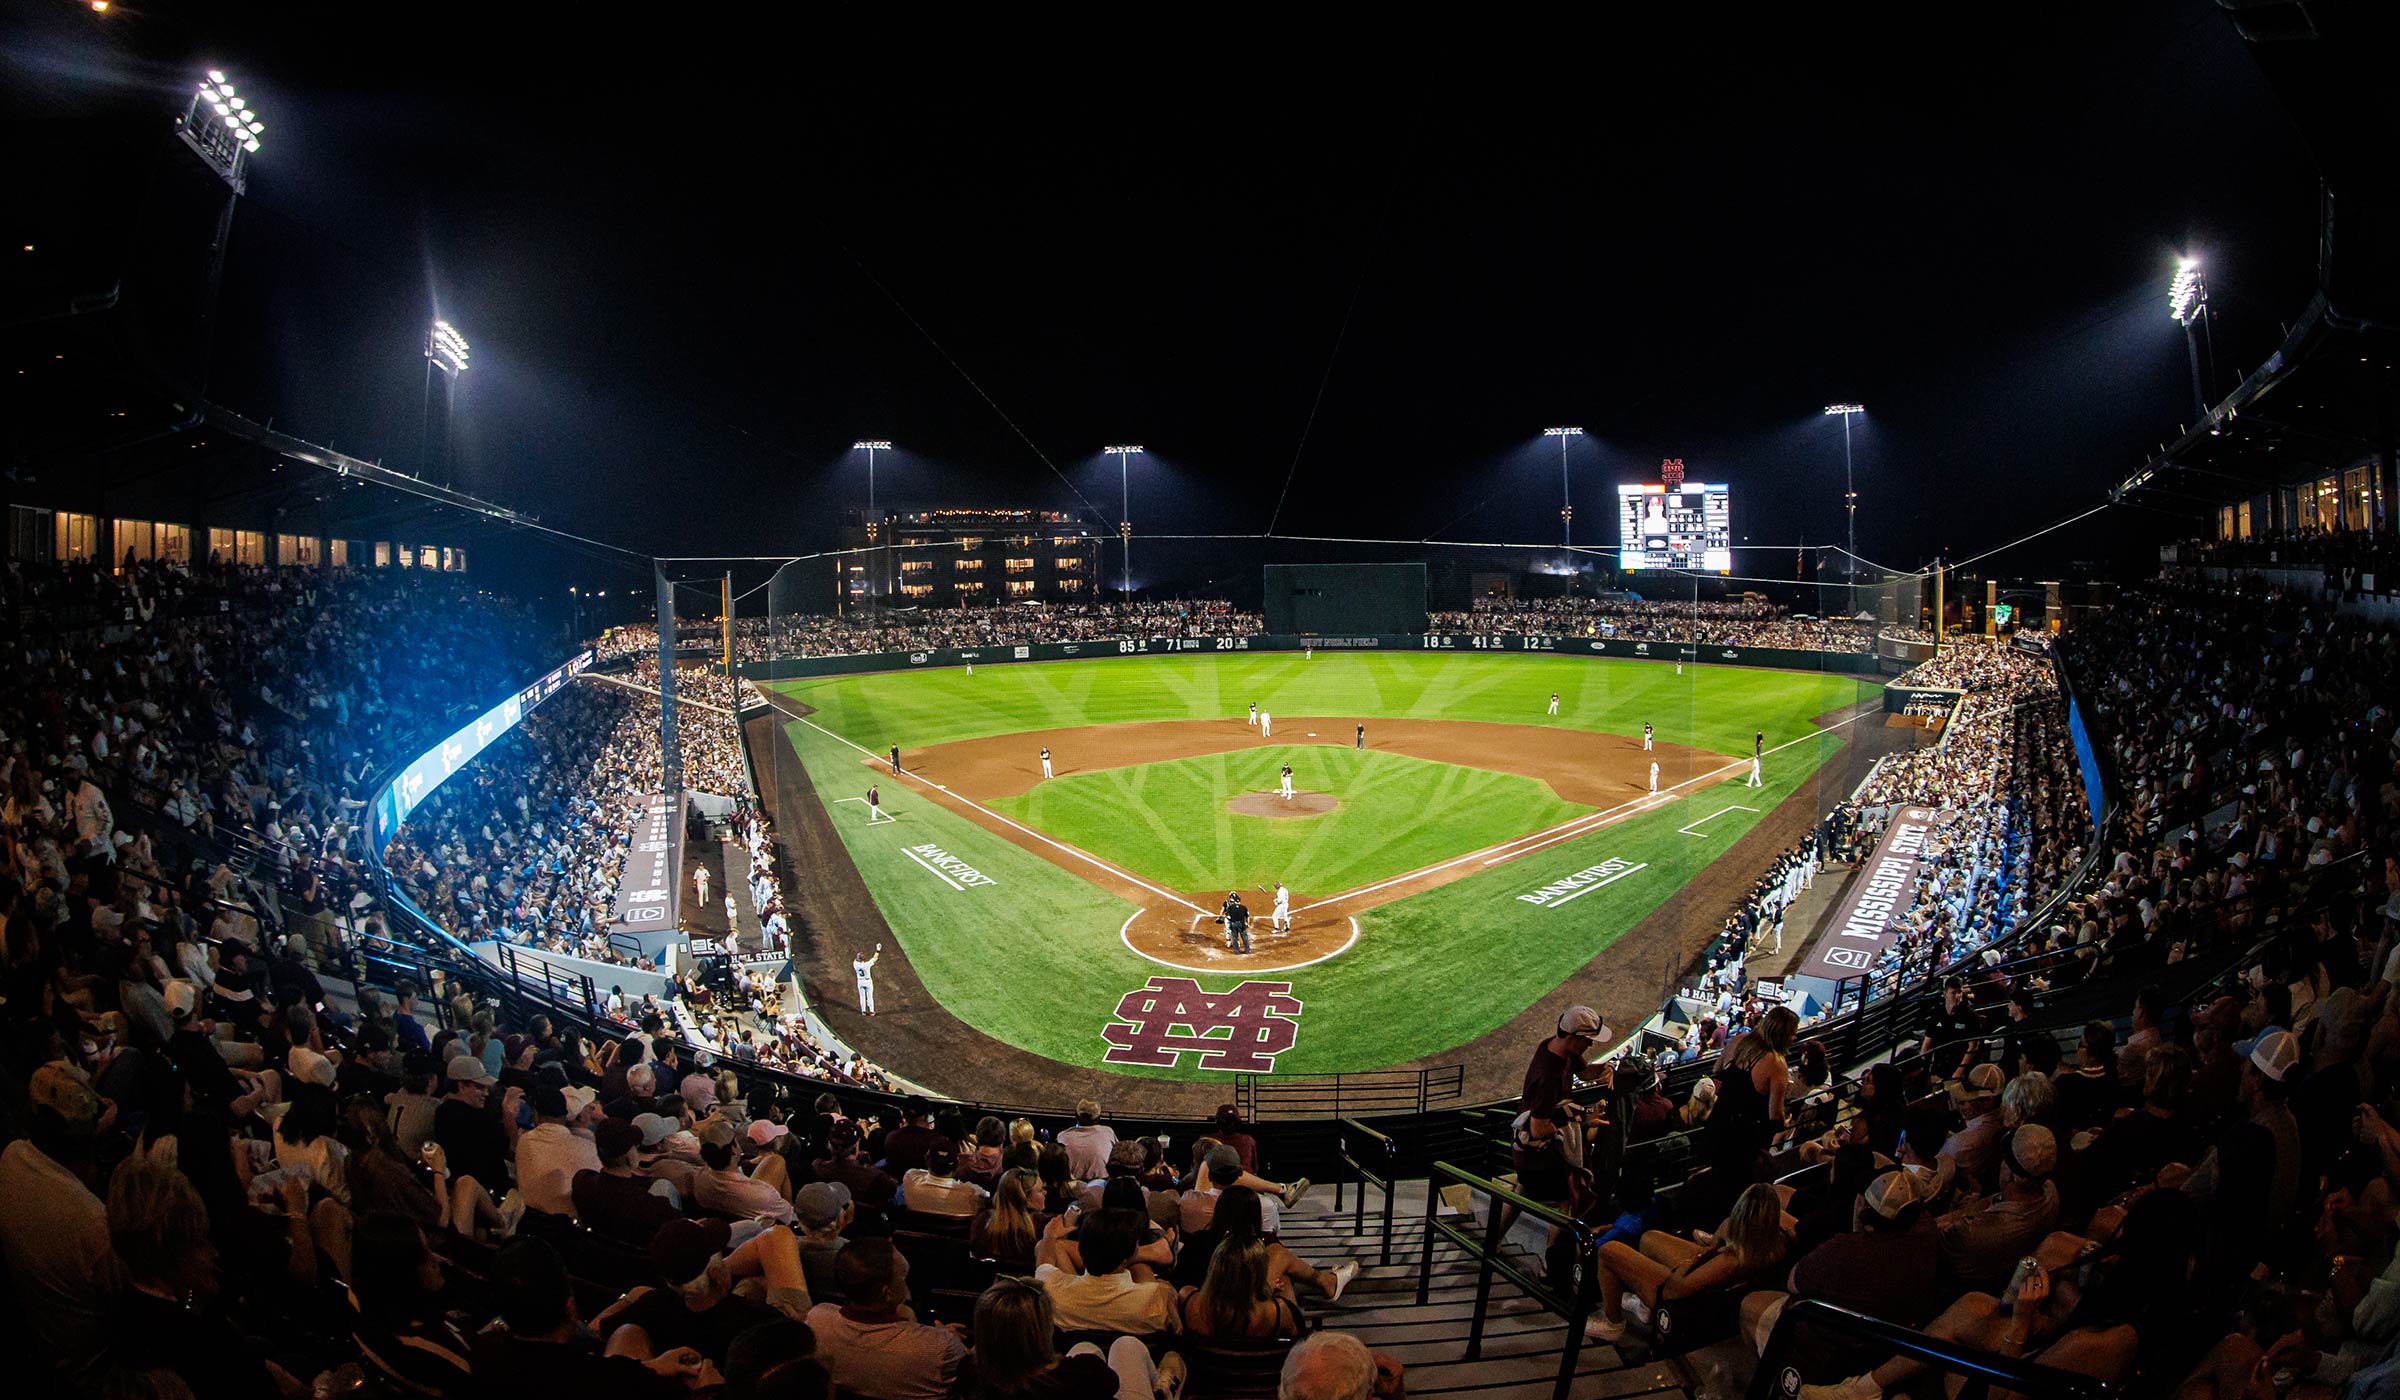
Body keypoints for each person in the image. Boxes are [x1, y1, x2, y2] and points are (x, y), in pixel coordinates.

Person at [474, 1238, 701, 1395]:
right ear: (570, 1307)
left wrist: (653, 1366)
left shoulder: (483, 1354)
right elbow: (618, 1378)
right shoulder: (598, 1378)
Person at [1585, 1181, 1792, 1343]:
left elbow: (1673, 1290)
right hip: (1708, 1281)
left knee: (1609, 1251)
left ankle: (1612, 1323)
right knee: (1649, 1238)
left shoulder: (1732, 1260)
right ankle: (1642, 1306)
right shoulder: (1778, 1244)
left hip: (1684, 1304)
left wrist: (1688, 1264)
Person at [806, 1240, 969, 1397]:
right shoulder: (941, 1348)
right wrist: (946, 1338)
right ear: (887, 1293)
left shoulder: (816, 1321)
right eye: (902, 1277)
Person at [974, 1275, 1181, 1399]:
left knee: (1085, 1346)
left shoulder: (972, 1377)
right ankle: (1165, 1386)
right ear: (1044, 1330)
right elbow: (1111, 1383)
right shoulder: (1081, 1373)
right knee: (1128, 1345)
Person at [1034, 1209, 1180, 1335]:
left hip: (1078, 1357)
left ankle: (1152, 1252)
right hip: (1130, 1360)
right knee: (1141, 1268)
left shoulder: (1050, 1291)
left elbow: (1044, 1259)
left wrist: (1049, 1235)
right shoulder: (1159, 1298)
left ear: (1081, 1249)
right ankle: (1152, 1252)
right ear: (1126, 1258)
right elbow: (1177, 1330)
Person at [1058, 1100, 1118, 1182]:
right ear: (1098, 1118)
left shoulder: (1063, 1136)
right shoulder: (1108, 1132)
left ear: (1076, 1116)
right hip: (1102, 1183)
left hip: (1071, 1184)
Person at [854, 944, 881, 1016]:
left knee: (862, 996)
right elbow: (874, 958)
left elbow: (857, 959)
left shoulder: (855, 964)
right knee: (870, 996)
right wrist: (878, 950)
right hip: (867, 981)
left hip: (860, 981)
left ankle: (863, 1011)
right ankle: (871, 1011)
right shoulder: (866, 965)